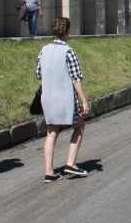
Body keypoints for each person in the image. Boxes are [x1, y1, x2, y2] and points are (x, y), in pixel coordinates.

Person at [37, 17, 91, 183]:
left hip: (47, 97)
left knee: (51, 131)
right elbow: (76, 79)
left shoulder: (43, 50)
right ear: (67, 32)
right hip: (65, 98)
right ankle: (70, 163)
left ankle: (49, 171)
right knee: (79, 126)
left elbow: (38, 74)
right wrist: (84, 100)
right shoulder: (68, 51)